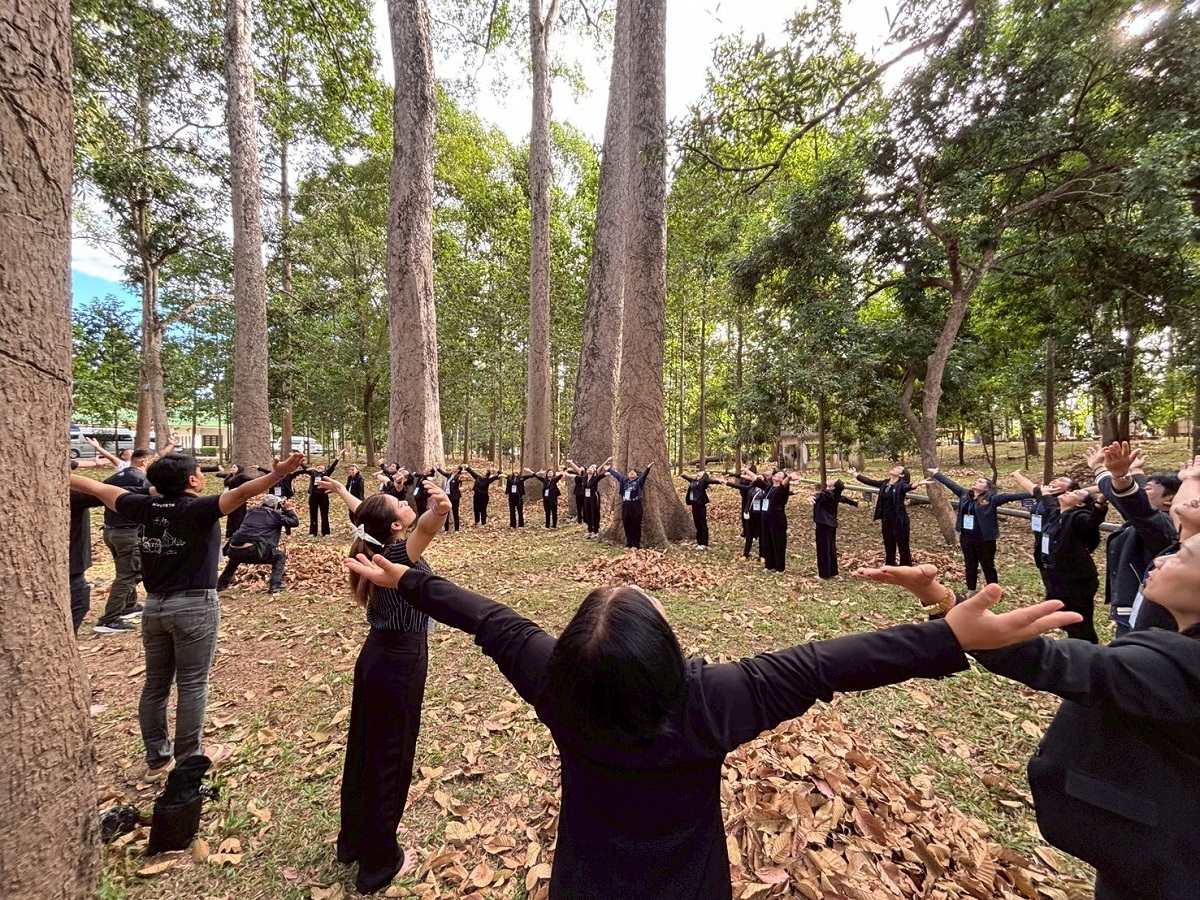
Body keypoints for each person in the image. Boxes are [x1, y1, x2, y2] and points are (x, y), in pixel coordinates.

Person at [343, 550, 1075, 900]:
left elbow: (490, 620)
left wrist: (407, 579)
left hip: (584, 883)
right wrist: (948, 633)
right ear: (667, 650)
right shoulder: (712, 700)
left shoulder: (557, 684)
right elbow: (830, 664)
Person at [859, 541, 1200, 900]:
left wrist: (939, 599)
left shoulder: (1181, 668)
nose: (1160, 558)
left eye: (1183, 557)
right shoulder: (1176, 646)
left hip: (1165, 862)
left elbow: (1043, 659)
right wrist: (934, 594)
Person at [70, 451, 305, 779]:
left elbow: (96, 488)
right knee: (192, 683)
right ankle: (188, 760)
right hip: (194, 606)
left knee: (155, 686)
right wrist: (277, 475)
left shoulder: (142, 506)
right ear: (193, 480)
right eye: (199, 472)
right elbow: (241, 493)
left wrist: (56, 469)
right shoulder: (198, 509)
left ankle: (157, 759)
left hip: (154, 608)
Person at [325, 476, 450, 895]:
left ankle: (352, 842)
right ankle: (379, 862)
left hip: (375, 656)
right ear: (396, 526)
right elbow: (426, 530)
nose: (403, 501)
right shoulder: (396, 553)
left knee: (365, 746)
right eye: (398, 503)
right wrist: (439, 511)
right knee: (391, 756)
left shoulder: (370, 542)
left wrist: (342, 492)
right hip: (400, 661)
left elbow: (365, 510)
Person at [1090, 442, 1181, 637]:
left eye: (1146, 489)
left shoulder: (1162, 527)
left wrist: (1118, 476)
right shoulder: (1151, 518)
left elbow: (1138, 505)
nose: (1140, 491)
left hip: (1145, 620)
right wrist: (1134, 471)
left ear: (1169, 500)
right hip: (1130, 611)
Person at [927, 469, 1031, 591]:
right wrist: (936, 474)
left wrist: (1036, 492)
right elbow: (951, 484)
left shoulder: (992, 499)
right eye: (976, 480)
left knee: (987, 566)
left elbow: (1012, 496)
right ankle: (971, 591)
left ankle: (993, 591)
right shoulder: (965, 494)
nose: (976, 482)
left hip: (984, 539)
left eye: (980, 481)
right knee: (970, 565)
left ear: (987, 488)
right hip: (966, 537)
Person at [94, 448, 154, 634]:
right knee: (129, 574)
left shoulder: (114, 478)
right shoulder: (142, 480)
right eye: (153, 461)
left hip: (111, 531)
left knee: (125, 570)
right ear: (144, 462)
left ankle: (129, 605)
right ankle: (109, 619)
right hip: (128, 533)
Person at [1038, 488, 1108, 643]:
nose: (1068, 492)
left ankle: (1088, 650)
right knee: (1065, 617)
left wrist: (1099, 503)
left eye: (1075, 494)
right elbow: (1045, 499)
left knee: (1079, 621)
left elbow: (1092, 522)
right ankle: (1076, 645)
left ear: (1080, 504)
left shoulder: (1078, 517)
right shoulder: (1056, 514)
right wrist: (1044, 491)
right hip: (1056, 575)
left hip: (1077, 580)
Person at [216, 495, 299, 594]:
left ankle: (220, 585)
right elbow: (294, 522)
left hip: (233, 548)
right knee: (279, 556)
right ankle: (275, 585)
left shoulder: (250, 512)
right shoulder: (275, 515)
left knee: (235, 559)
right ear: (276, 505)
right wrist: (289, 509)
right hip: (253, 551)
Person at [1012, 471, 1078, 595]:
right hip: (1040, 543)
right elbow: (1028, 485)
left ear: (1069, 489)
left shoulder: (1066, 501)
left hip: (1057, 546)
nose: (1055, 480)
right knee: (1047, 578)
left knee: (1060, 583)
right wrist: (1016, 474)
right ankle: (1051, 598)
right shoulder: (1042, 494)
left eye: (1062, 480)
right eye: (1056, 478)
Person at [68, 457, 106, 634]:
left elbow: (77, 463)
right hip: (69, 567)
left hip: (72, 565)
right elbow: (103, 492)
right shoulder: (69, 494)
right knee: (78, 602)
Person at [852, 465, 917, 566]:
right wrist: (856, 474)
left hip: (899, 520)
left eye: (898, 468)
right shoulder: (885, 483)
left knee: (903, 545)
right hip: (886, 519)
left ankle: (906, 567)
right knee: (889, 544)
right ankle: (890, 565)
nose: (894, 468)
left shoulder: (901, 485)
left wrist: (914, 485)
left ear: (901, 475)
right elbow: (870, 482)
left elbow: (907, 487)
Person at [812, 479, 858, 579]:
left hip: (823, 524)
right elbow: (844, 499)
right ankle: (833, 572)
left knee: (823, 549)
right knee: (831, 548)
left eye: (833, 481)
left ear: (833, 487)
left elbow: (818, 496)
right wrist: (854, 503)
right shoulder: (836, 495)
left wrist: (812, 497)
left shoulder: (826, 494)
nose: (830, 479)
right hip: (831, 523)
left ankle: (824, 575)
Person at [607, 463, 652, 549]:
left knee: (636, 524)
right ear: (627, 475)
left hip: (636, 505)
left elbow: (644, 476)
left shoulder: (639, 481)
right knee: (626, 523)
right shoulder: (624, 480)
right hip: (626, 505)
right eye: (630, 472)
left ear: (636, 475)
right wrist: (609, 469)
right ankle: (629, 543)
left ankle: (636, 544)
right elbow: (617, 475)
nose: (631, 473)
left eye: (633, 472)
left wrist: (648, 468)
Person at [726, 470, 767, 559]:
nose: (758, 479)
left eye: (761, 478)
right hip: (750, 515)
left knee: (762, 536)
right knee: (749, 536)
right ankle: (745, 554)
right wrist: (727, 483)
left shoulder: (766, 490)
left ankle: (762, 556)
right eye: (758, 478)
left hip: (761, 516)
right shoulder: (750, 488)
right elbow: (739, 486)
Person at [759, 470, 793, 573]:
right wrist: (746, 471)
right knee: (767, 542)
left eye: (781, 475)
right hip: (766, 518)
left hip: (777, 519)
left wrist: (789, 477)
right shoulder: (769, 487)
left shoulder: (783, 488)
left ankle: (780, 568)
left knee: (778, 543)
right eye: (777, 474)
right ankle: (769, 565)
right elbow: (756, 479)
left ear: (783, 479)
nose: (778, 476)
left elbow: (784, 484)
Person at [680, 471, 722, 549]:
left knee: (702, 523)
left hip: (700, 505)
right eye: (698, 473)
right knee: (697, 524)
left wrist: (719, 481)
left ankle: (704, 543)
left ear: (703, 476)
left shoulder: (703, 482)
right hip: (694, 505)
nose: (698, 473)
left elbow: (711, 481)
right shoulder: (693, 481)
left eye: (701, 473)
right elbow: (687, 477)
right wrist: (683, 475)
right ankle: (699, 542)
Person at [222, 464, 256, 539]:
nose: (232, 468)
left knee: (239, 516)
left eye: (234, 467)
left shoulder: (241, 476)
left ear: (239, 469)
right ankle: (230, 534)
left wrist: (241, 489)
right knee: (231, 516)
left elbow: (252, 480)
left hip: (238, 499)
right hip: (230, 499)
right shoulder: (230, 477)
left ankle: (239, 533)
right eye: (232, 467)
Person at [306, 458, 338, 536]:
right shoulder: (312, 473)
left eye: (322, 466)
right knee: (313, 514)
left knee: (324, 514)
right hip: (313, 496)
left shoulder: (326, 474)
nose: (320, 467)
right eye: (318, 466)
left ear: (324, 468)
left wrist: (337, 459)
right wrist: (299, 461)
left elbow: (332, 467)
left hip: (323, 496)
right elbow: (305, 468)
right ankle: (313, 532)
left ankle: (326, 532)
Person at [436, 465, 468, 531]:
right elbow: (443, 473)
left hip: (455, 497)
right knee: (446, 511)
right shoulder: (450, 475)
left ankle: (457, 529)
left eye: (455, 467)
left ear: (458, 470)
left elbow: (462, 478)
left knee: (455, 512)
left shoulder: (458, 476)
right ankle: (446, 529)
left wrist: (462, 477)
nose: (453, 468)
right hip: (447, 496)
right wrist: (438, 468)